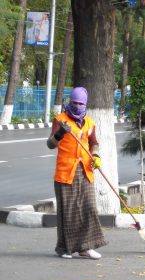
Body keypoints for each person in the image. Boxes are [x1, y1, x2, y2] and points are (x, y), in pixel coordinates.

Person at [47, 87, 107, 259]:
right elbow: (50, 144)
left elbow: (94, 142)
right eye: (74, 103)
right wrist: (59, 134)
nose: (77, 106)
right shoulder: (60, 120)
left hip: (85, 172)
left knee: (88, 208)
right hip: (66, 173)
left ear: (85, 104)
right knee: (68, 212)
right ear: (69, 102)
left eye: (81, 103)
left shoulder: (89, 122)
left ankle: (85, 248)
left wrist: (95, 156)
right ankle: (65, 249)